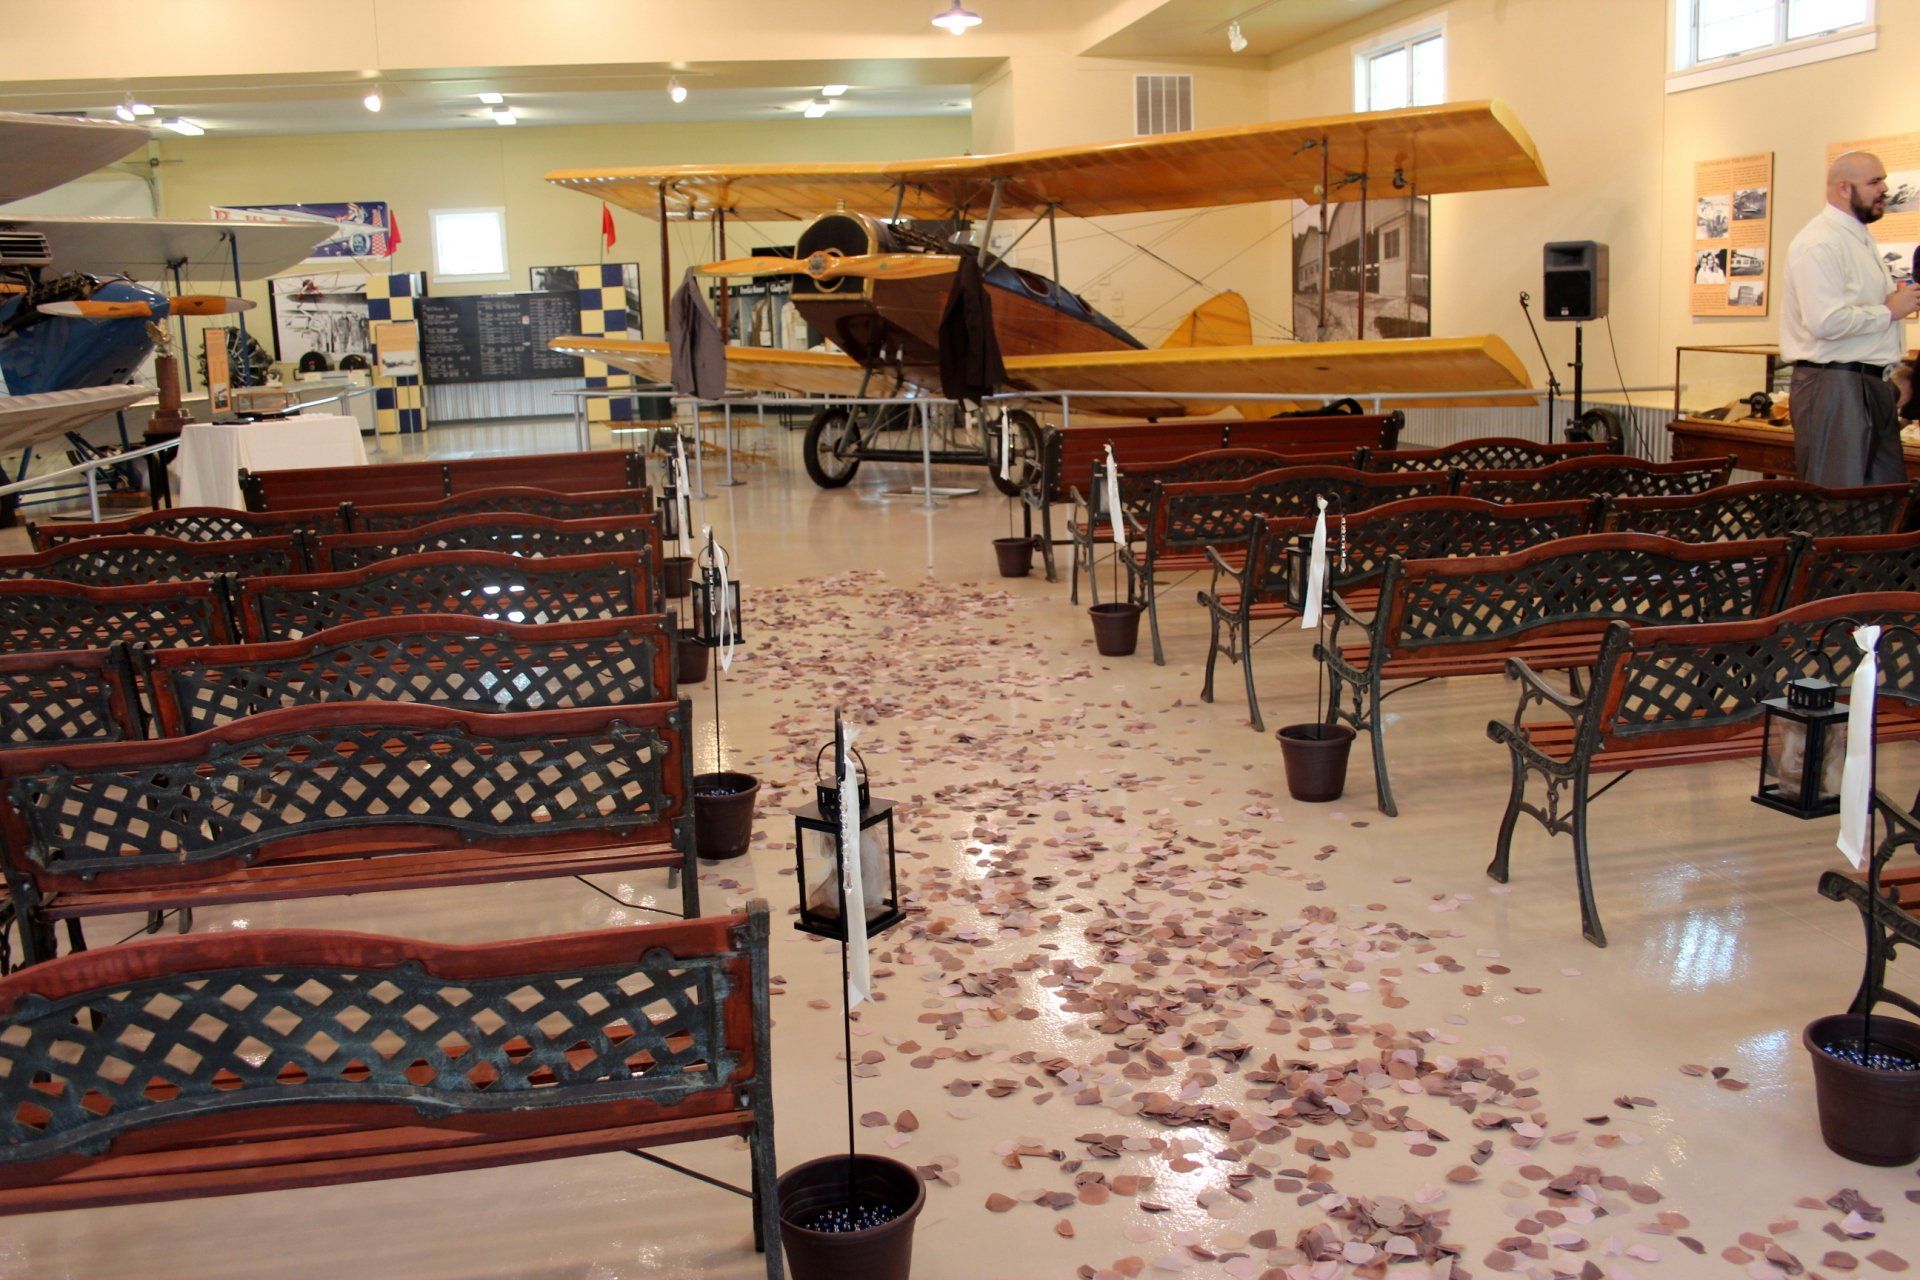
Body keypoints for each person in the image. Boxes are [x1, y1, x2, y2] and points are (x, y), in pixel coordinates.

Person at [1779, 151, 1920, 485]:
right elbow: (1825, 322)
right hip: (1836, 386)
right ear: (1844, 188)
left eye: (1884, 179)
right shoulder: (1820, 242)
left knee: (1882, 502)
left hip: (1867, 385)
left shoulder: (1856, 238)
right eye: (1875, 181)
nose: (1884, 189)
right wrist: (1889, 310)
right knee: (1838, 504)